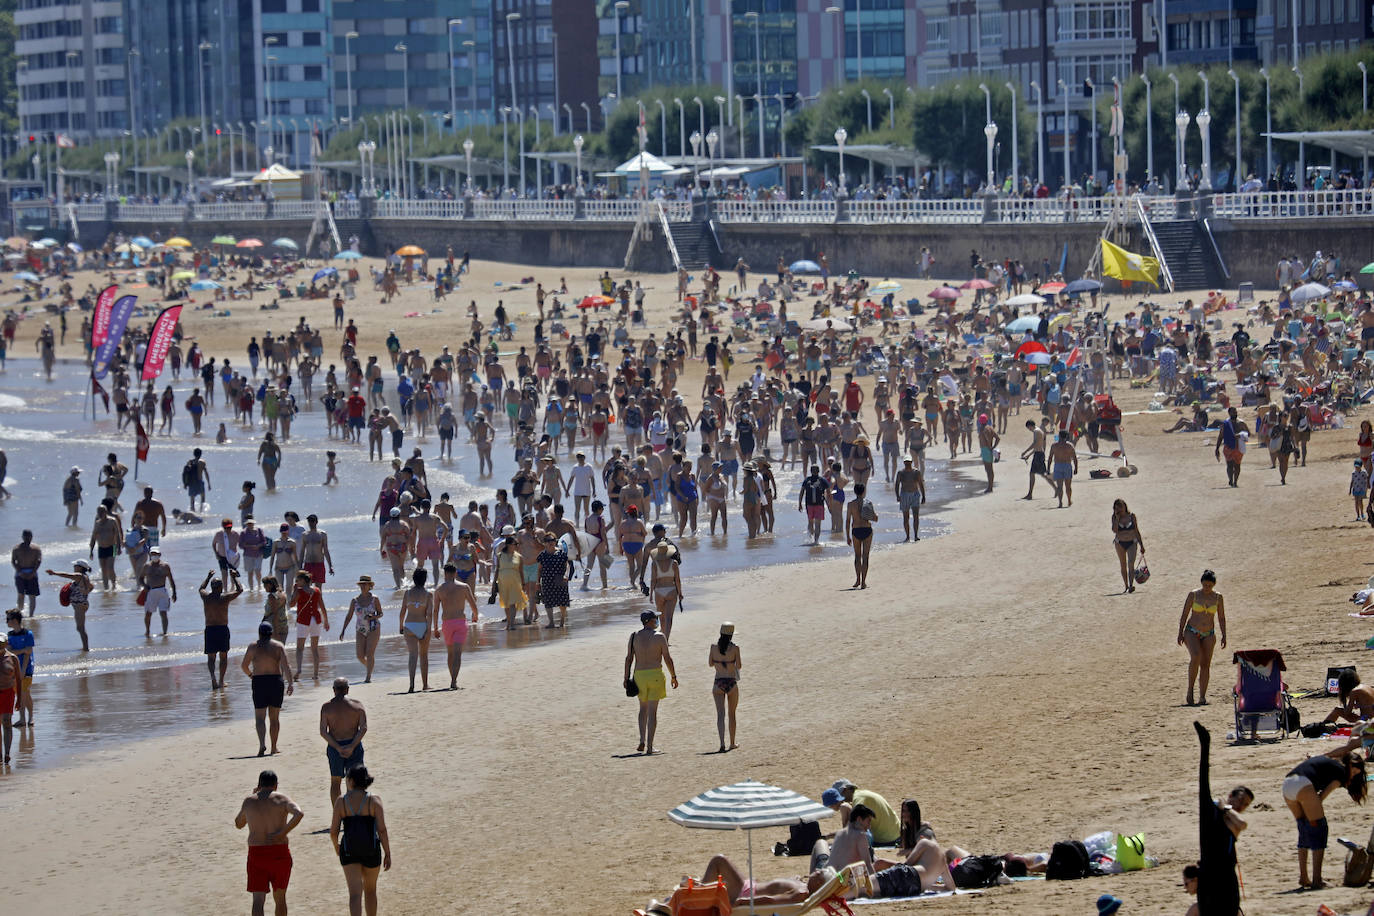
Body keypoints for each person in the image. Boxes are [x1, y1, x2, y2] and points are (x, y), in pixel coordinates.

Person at [1282, 748, 1367, 889]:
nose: (1355, 772)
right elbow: (1322, 796)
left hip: (1288, 784)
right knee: (1319, 829)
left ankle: (1303, 877)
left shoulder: (1330, 763)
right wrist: (1314, 811)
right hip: (1303, 785)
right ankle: (1317, 880)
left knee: (1303, 829)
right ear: (1350, 764)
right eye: (1355, 769)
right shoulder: (1341, 772)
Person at [1193, 722, 1252, 916]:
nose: (1241, 806)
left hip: (1226, 880)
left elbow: (1242, 824)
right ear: (1231, 795)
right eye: (1240, 800)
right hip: (1209, 878)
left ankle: (1205, 745)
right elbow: (1204, 787)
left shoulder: (1231, 819)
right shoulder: (1216, 812)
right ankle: (1205, 745)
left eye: (1245, 805)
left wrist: (1225, 808)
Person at [235, 770, 304, 916]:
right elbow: (299, 813)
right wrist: (283, 832)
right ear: (276, 785)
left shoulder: (249, 801)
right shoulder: (282, 799)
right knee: (280, 899)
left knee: (258, 900)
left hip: (257, 853)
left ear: (259, 785)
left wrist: (252, 796)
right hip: (279, 851)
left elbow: (239, 823)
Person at [330, 766, 392, 916]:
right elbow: (382, 830)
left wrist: (336, 847)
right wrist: (388, 853)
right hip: (371, 849)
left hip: (349, 850)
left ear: (350, 781)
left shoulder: (341, 801)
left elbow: (334, 831)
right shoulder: (374, 800)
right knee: (371, 890)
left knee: (355, 894)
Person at [624, 609, 677, 755]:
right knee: (653, 711)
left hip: (639, 675)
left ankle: (642, 739)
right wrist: (674, 676)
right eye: (656, 619)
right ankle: (650, 746)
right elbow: (667, 658)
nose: (657, 621)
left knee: (643, 709)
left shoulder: (634, 636)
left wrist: (625, 678)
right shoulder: (660, 637)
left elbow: (629, 658)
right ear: (651, 621)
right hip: (655, 674)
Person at [242, 622, 295, 757]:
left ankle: (261, 744)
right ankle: (274, 747)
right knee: (274, 718)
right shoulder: (278, 646)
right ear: (271, 633)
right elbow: (286, 666)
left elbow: (244, 665)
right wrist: (290, 683)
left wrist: (250, 675)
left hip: (259, 682)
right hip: (275, 681)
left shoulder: (253, 646)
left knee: (260, 717)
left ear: (259, 633)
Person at [1177, 570, 1226, 706]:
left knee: (1206, 664)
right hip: (1192, 630)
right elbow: (1184, 614)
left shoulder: (1217, 597)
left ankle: (1202, 696)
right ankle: (1190, 689)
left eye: (1209, 586)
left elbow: (1221, 618)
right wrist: (1180, 632)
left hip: (1209, 633)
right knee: (1196, 656)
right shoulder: (1193, 595)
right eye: (1205, 585)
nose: (1207, 589)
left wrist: (1224, 635)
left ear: (1214, 585)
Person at [320, 677, 368, 805]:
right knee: (353, 781)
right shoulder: (357, 705)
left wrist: (338, 748)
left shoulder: (326, 707)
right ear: (347, 689)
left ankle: (338, 812)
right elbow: (363, 728)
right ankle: (352, 811)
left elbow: (323, 732)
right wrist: (352, 746)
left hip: (335, 747)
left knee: (335, 782)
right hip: (354, 745)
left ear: (334, 690)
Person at [435, 563, 478, 688]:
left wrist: (435, 627)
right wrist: (475, 615)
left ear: (445, 573)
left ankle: (452, 678)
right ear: (455, 573)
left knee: (450, 653)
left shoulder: (439, 589)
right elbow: (472, 603)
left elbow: (436, 610)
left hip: (447, 623)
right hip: (460, 622)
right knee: (458, 653)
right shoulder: (464, 587)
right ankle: (454, 681)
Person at [201, 568, 243, 689]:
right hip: (222, 629)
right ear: (220, 587)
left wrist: (208, 577)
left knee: (211, 657)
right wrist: (234, 577)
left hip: (210, 630)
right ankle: (221, 680)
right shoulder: (224, 597)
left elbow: (201, 589)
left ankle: (213, 678)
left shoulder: (206, 597)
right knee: (223, 657)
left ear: (212, 587)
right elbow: (240, 590)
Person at [338, 576, 383, 684]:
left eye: (365, 584)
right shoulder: (355, 600)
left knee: (369, 653)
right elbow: (348, 616)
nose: (363, 586)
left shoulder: (374, 599)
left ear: (370, 586)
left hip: (373, 628)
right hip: (360, 629)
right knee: (359, 655)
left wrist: (373, 617)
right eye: (361, 584)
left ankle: (368, 676)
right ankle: (370, 667)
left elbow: (381, 613)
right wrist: (343, 630)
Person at [399, 567, 435, 692]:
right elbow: (429, 614)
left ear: (413, 579)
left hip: (409, 625)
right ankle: (425, 684)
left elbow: (402, 612)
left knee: (412, 655)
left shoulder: (407, 593)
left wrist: (400, 626)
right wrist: (428, 629)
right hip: (422, 625)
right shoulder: (428, 595)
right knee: (423, 656)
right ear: (425, 580)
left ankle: (412, 683)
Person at [46, 559, 92, 651]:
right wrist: (86, 592)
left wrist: (54, 573)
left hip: (79, 605)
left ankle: (86, 648)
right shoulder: (85, 577)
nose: (73, 567)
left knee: (80, 628)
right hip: (82, 604)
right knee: (80, 627)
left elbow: (67, 575)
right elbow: (91, 586)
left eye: (75, 566)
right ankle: (85, 647)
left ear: (80, 567)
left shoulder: (79, 576)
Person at [710, 622, 741, 753]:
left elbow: (710, 664)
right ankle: (732, 743)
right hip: (731, 683)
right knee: (732, 714)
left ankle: (722, 742)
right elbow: (739, 666)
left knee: (720, 715)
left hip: (718, 682)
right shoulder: (735, 648)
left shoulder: (713, 647)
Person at [293, 571, 329, 681]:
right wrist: (326, 621)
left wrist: (294, 592)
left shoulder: (299, 591)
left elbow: (291, 604)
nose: (296, 582)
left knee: (300, 648)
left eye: (297, 580)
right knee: (314, 648)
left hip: (303, 620)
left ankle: (299, 669)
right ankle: (316, 674)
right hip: (316, 620)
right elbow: (322, 606)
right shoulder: (317, 590)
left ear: (303, 580)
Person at [138, 547, 178, 637]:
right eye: (152, 554)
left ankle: (165, 632)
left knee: (163, 613)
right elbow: (140, 579)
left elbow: (171, 580)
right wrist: (145, 586)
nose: (154, 556)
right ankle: (147, 631)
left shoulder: (165, 566)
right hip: (151, 592)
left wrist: (174, 593)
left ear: (160, 555)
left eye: (156, 554)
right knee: (148, 613)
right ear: (150, 555)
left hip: (162, 591)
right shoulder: (147, 566)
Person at [4, 610, 34, 728]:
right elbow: (10, 651)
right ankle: (22, 718)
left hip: (26, 669)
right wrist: (22, 650)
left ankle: (30, 717)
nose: (6, 622)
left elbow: (28, 653)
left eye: (8, 619)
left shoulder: (28, 634)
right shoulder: (10, 635)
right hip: (14, 668)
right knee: (20, 694)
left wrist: (23, 670)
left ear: (15, 620)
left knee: (25, 693)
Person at [647, 541, 681, 640]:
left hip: (659, 591)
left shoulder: (654, 563)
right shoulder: (674, 563)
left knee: (661, 617)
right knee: (669, 617)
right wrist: (680, 593)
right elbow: (677, 580)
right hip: (671, 590)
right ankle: (666, 639)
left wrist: (651, 594)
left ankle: (662, 637)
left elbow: (653, 580)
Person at [845, 482, 876, 589]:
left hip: (856, 531)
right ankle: (863, 582)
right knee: (865, 556)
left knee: (857, 556)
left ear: (854, 492)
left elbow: (848, 521)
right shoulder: (869, 503)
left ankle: (858, 579)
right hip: (867, 530)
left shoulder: (850, 504)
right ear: (863, 492)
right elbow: (874, 518)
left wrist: (848, 536)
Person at [1110, 499, 1145, 593]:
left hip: (1132, 542)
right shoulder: (1114, 518)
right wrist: (1117, 519)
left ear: (1125, 506)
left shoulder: (1132, 516)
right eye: (1117, 508)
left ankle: (1131, 585)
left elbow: (1136, 531)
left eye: (1121, 507)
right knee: (1123, 565)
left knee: (1131, 564)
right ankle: (1125, 585)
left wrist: (1141, 545)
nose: (1119, 510)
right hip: (1119, 543)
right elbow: (1114, 530)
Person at [1214, 406, 1248, 487]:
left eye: (1235, 412)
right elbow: (1221, 436)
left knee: (1237, 465)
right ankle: (1231, 480)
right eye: (1233, 412)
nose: (1235, 413)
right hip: (1228, 446)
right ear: (1229, 413)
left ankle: (1235, 481)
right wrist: (1217, 448)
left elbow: (1248, 433)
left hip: (1238, 446)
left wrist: (1241, 435)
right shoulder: (1225, 424)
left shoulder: (1241, 423)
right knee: (1229, 465)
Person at [0, 633, 21, 763]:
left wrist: (19, 699)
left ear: (6, 643)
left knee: (7, 722)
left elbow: (18, 680)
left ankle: (7, 753)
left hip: (8, 693)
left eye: (1, 643)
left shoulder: (12, 658)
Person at [1019, 419, 1053, 500]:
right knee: (1036, 474)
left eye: (1028, 428)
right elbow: (1037, 446)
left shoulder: (1036, 431)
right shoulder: (1038, 431)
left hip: (1039, 455)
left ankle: (1056, 489)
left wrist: (1025, 452)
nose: (1029, 430)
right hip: (1038, 454)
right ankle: (1030, 493)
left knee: (1040, 474)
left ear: (1030, 426)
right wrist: (1028, 455)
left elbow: (1035, 444)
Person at [893, 457, 925, 542]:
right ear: (904, 463)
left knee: (916, 516)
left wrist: (923, 496)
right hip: (904, 495)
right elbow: (897, 485)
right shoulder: (901, 473)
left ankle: (915, 535)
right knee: (905, 517)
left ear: (911, 462)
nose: (907, 464)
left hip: (915, 494)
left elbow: (921, 484)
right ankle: (907, 536)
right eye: (906, 462)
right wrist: (897, 496)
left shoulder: (916, 472)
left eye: (909, 462)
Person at [11, 529, 41, 617]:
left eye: (29, 537)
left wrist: (33, 572)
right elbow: (13, 561)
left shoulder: (36, 548)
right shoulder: (16, 548)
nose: (27, 538)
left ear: (32, 537)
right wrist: (20, 572)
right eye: (25, 536)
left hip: (32, 573)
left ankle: (31, 615)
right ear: (22, 537)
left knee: (32, 595)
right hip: (20, 574)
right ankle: (20, 614)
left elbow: (38, 561)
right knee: (21, 594)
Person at [798, 464, 828, 546]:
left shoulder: (822, 480)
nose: (814, 471)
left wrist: (829, 504)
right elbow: (802, 492)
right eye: (813, 470)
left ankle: (816, 541)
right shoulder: (807, 480)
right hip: (810, 505)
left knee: (817, 523)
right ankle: (811, 538)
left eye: (816, 470)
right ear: (811, 471)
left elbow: (827, 493)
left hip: (819, 505)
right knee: (810, 522)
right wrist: (799, 503)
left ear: (818, 471)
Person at [1048, 432, 1078, 508]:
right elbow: (1074, 458)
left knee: (1059, 486)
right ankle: (1069, 500)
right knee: (1068, 486)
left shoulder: (1054, 446)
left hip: (1058, 466)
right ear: (1066, 437)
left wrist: (1048, 468)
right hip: (1067, 465)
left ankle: (1060, 503)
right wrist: (1076, 468)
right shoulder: (1070, 445)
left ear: (1059, 436)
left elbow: (1050, 458)